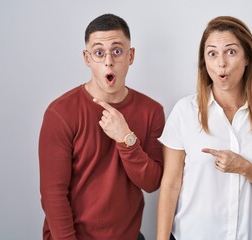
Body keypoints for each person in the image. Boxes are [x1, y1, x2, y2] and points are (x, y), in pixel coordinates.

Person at [156, 16, 252, 240]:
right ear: (205, 61)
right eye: (212, 53)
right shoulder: (185, 111)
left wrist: (245, 168)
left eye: (230, 52)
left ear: (247, 57)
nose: (221, 63)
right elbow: (170, 185)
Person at [39, 13, 165, 240]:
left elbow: (152, 183)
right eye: (99, 53)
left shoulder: (152, 111)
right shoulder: (60, 113)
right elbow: (53, 194)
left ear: (131, 56)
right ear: (87, 58)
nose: (108, 61)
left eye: (117, 51)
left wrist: (126, 139)